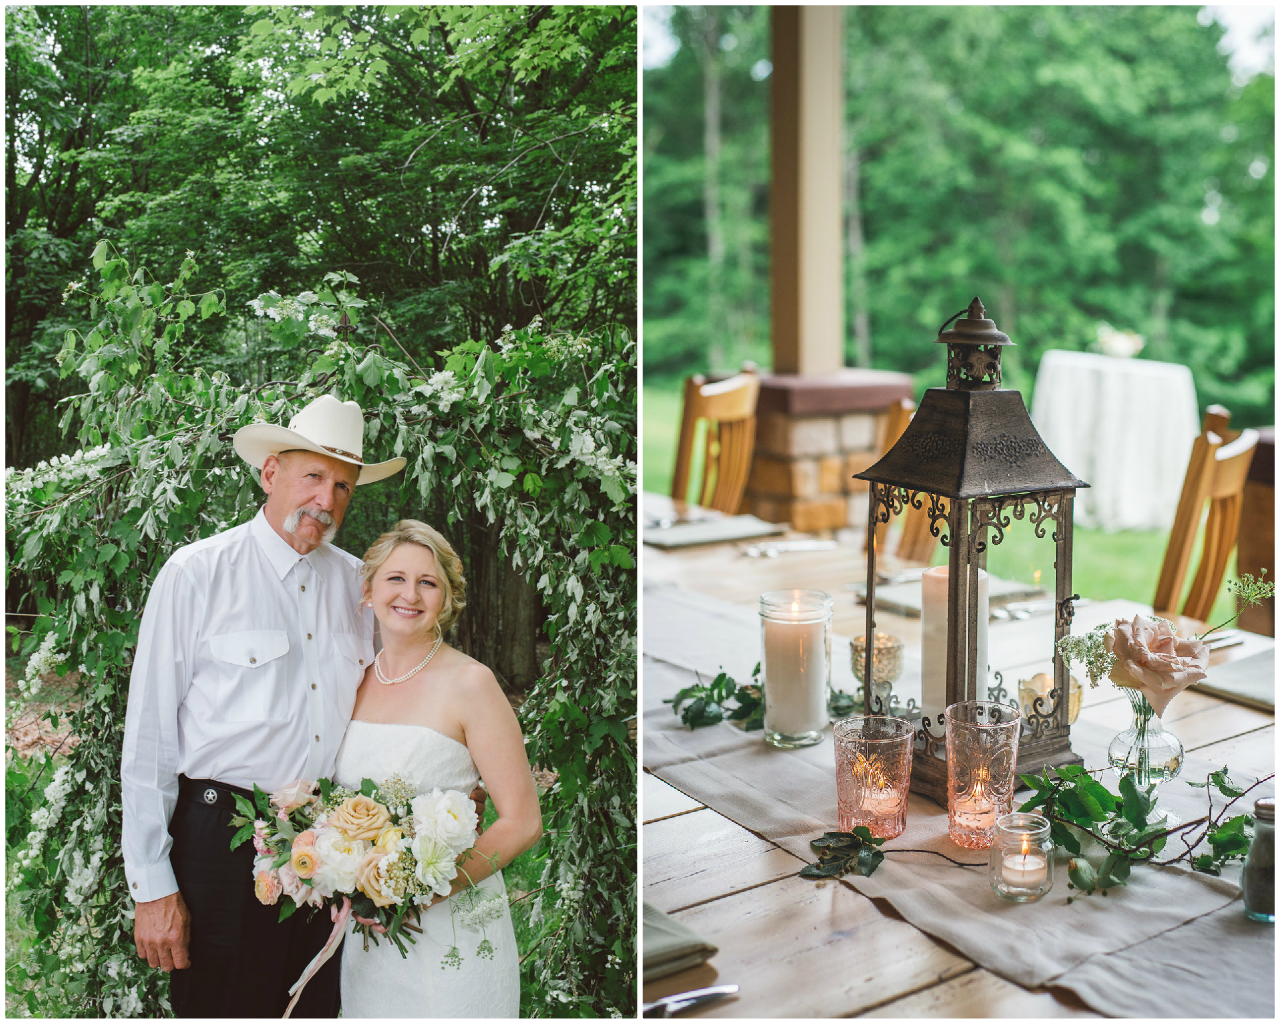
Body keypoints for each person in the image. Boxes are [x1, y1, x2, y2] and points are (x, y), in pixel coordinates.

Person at [121, 394, 413, 1017]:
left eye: (343, 485)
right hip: (217, 847)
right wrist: (152, 887)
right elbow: (149, 738)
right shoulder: (197, 574)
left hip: (331, 849)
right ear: (270, 472)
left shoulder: (361, 586)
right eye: (313, 476)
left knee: (318, 1009)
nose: (327, 500)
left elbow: (397, 699)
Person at [334, 520, 543, 1017]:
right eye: (396, 579)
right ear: (368, 591)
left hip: (451, 927)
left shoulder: (471, 683)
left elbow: (523, 822)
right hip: (366, 934)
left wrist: (419, 893)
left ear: (446, 598)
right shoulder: (351, 679)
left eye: (427, 582)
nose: (411, 594)